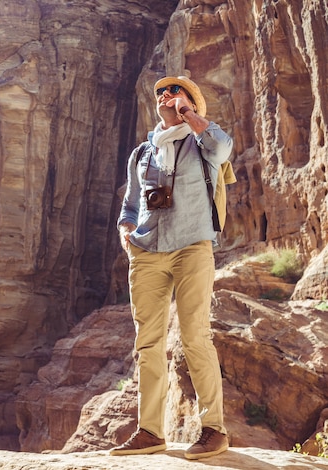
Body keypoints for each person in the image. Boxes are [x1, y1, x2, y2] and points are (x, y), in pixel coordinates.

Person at [110, 76, 232, 460]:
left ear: (191, 102)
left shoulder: (202, 144)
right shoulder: (142, 153)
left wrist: (189, 116)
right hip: (146, 253)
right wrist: (126, 231)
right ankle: (150, 432)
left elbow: (223, 147)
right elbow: (131, 204)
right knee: (148, 345)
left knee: (195, 337)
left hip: (192, 248)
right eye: (161, 92)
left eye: (175, 91)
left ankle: (213, 430)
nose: (165, 96)